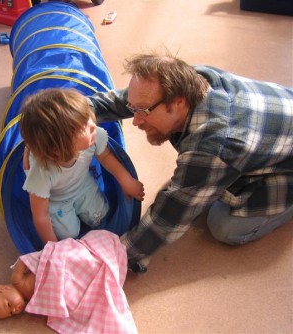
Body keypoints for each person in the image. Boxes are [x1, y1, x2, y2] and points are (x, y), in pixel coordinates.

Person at [88, 50, 293, 272]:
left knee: (224, 226)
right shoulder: (190, 79)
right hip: (279, 114)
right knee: (203, 183)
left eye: (143, 111)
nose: (136, 120)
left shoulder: (212, 146)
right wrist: (67, 113)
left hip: (286, 161)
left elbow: (168, 219)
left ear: (178, 102)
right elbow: (121, 101)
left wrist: (110, 260)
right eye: (134, 110)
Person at [20, 88, 144, 244]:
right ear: (58, 147)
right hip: (57, 201)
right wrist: (52, 248)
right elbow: (41, 215)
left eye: (88, 118)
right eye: (83, 126)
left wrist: (126, 181)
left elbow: (106, 157)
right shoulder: (42, 171)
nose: (93, 124)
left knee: (101, 216)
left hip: (83, 186)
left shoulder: (92, 136)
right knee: (69, 236)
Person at [0, 230, 138, 334]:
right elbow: (49, 305)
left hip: (61, 268)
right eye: (11, 313)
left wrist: (49, 254)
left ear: (4, 289)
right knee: (84, 306)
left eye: (9, 305)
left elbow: (25, 260)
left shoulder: (16, 280)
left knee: (81, 262)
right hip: (62, 291)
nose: (15, 310)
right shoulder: (30, 304)